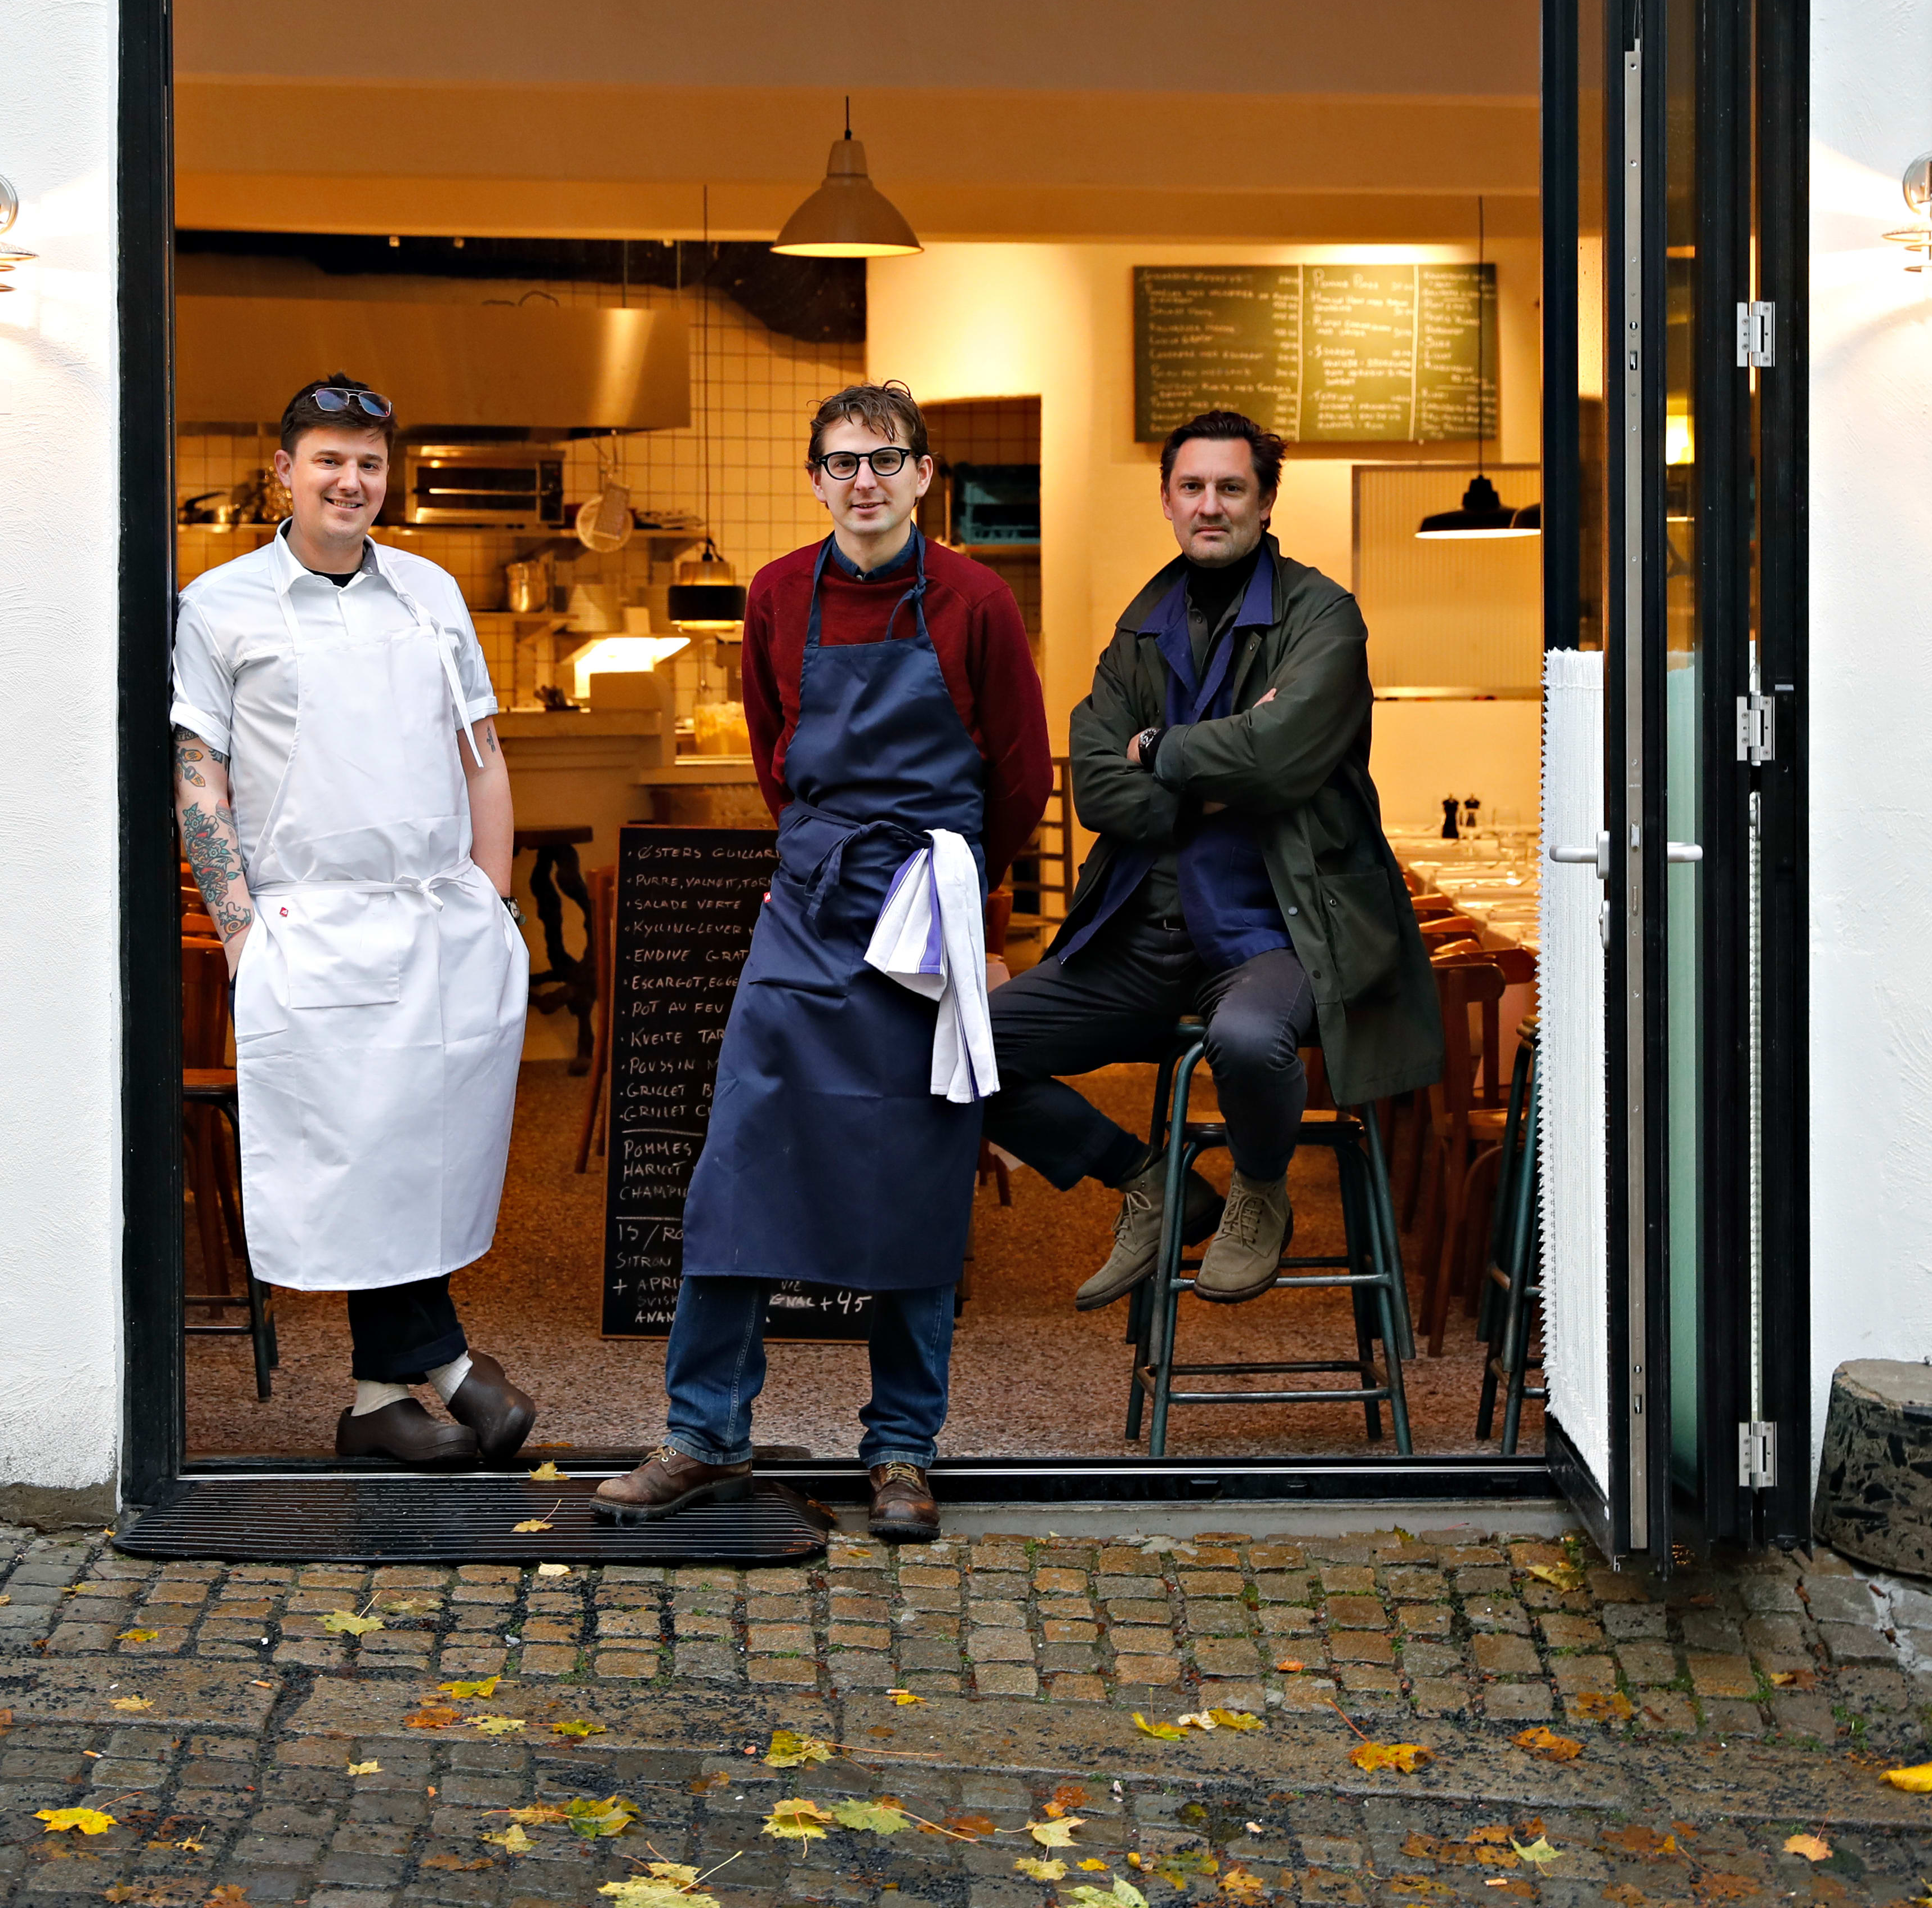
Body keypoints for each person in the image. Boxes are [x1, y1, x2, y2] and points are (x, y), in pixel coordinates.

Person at [594, 383, 1050, 1544]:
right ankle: (703, 1436)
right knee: (737, 1172)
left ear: (923, 475)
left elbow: (1021, 775)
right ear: (815, 478)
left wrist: (946, 894)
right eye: (843, 462)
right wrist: (822, 866)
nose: (865, 481)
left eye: (887, 460)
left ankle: (901, 1450)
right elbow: (773, 755)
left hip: (922, 924)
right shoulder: (775, 593)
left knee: (916, 1183)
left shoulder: (976, 600)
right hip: (802, 922)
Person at [974, 408, 1440, 1308]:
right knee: (961, 1048)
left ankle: (1259, 1191)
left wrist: (1162, 748)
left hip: (1277, 934)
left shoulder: (1323, 616)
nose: (1210, 505)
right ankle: (1151, 1183)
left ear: (1266, 502)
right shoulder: (1139, 628)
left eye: (1231, 487)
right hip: (1141, 932)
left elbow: (1282, 754)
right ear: (1166, 500)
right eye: (1192, 487)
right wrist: (1219, 768)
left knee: (1248, 1039)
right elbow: (1098, 786)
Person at [169, 373, 540, 1468]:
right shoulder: (220, 605)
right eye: (327, 458)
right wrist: (241, 932)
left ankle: (381, 1399)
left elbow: (482, 755)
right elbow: (200, 775)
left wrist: (497, 904)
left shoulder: (432, 593)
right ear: (281, 472)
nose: (350, 479)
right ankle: (448, 1367)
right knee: (361, 1149)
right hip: (309, 926)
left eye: (370, 463)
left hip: (440, 921)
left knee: (426, 1152)